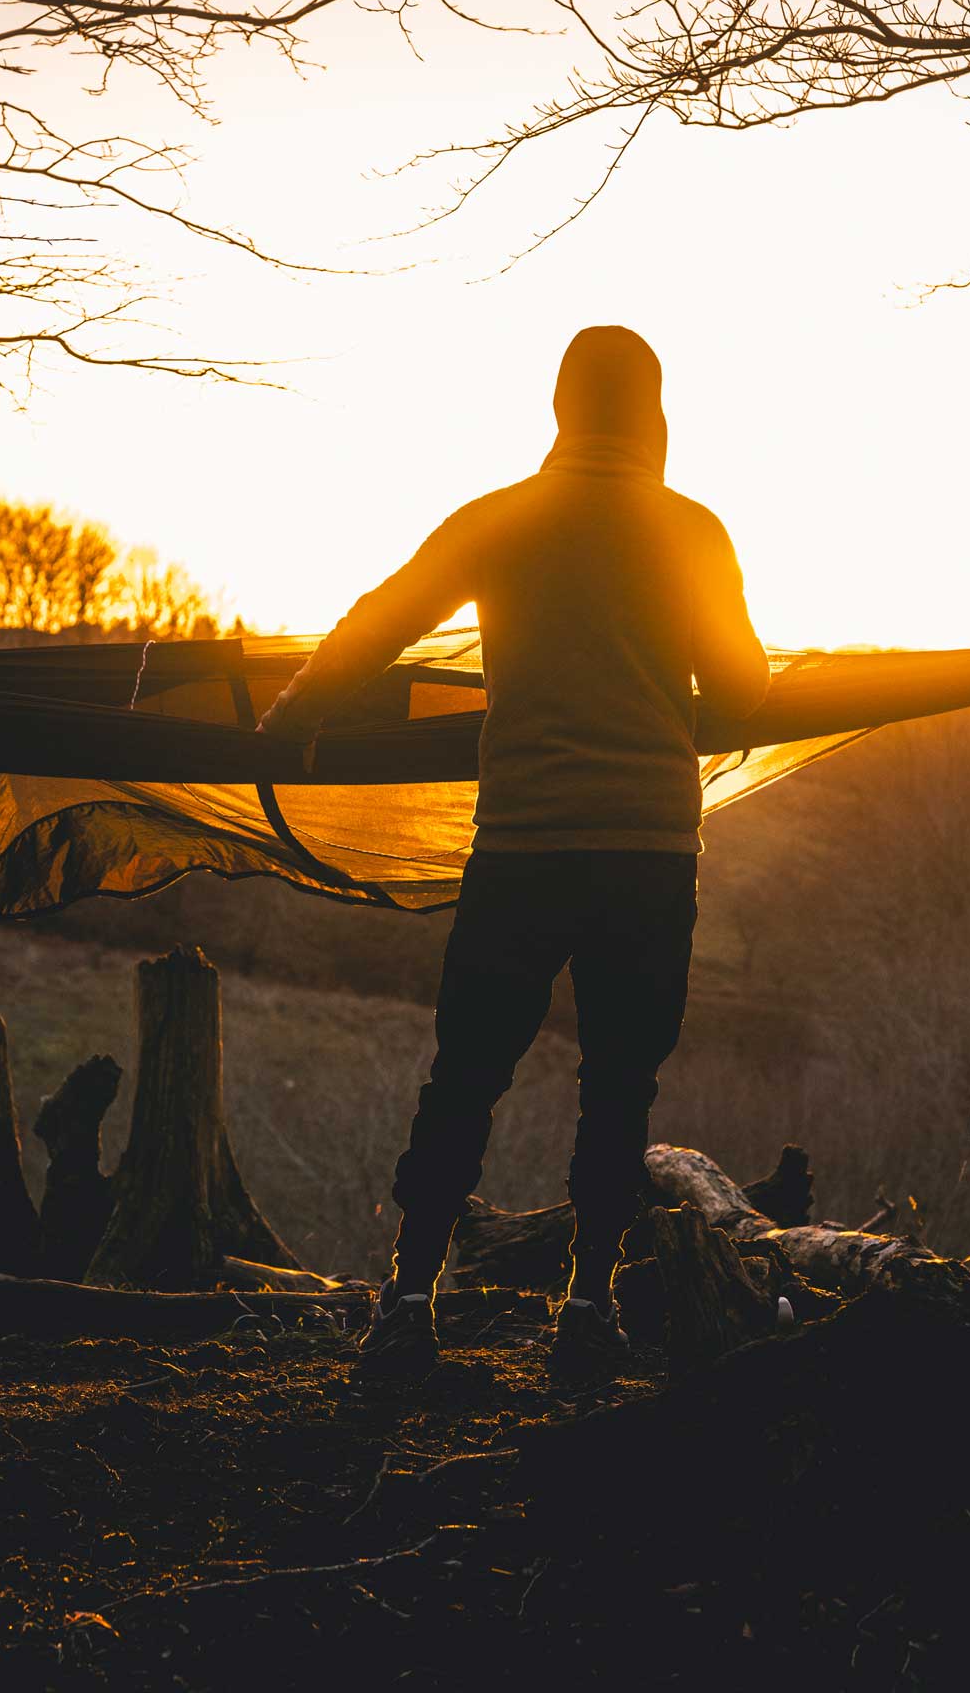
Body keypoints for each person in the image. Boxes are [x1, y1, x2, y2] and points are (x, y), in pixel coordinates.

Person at [256, 325, 768, 1385]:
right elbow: (746, 688)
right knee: (621, 1089)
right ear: (655, 415)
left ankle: (407, 1299)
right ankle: (587, 1308)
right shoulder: (693, 531)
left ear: (560, 411)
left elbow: (383, 620)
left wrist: (295, 715)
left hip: (523, 846)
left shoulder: (499, 520)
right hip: (647, 849)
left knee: (463, 1078)